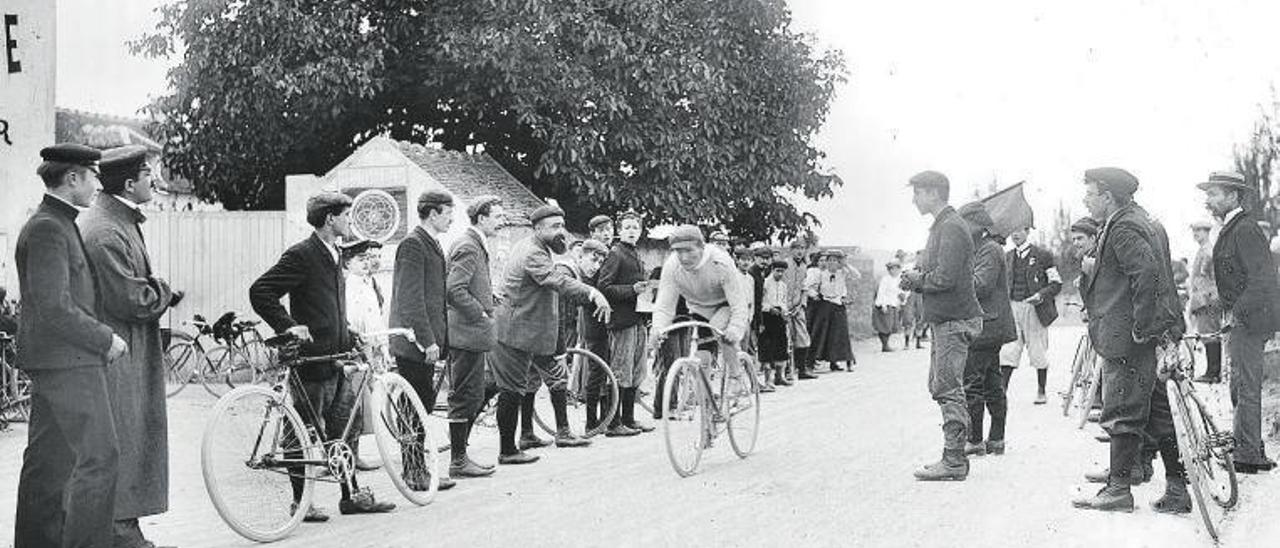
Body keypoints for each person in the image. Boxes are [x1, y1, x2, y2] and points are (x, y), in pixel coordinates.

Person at [250, 191, 397, 520]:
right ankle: (300, 503)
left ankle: (350, 495)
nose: (349, 221)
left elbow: (328, 306)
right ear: (330, 219)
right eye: (345, 215)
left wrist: (349, 333)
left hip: (338, 357)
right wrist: (289, 326)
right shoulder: (302, 254)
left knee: (346, 428)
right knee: (301, 432)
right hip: (312, 361)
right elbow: (261, 291)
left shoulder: (334, 253)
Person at [14, 144, 129, 548]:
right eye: (93, 175)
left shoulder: (55, 222)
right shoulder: (49, 227)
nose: (99, 183)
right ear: (73, 177)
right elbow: (54, 307)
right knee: (100, 458)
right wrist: (105, 338)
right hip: (70, 364)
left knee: (49, 464)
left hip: (56, 362)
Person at [78, 145, 184, 548]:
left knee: (130, 438)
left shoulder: (113, 220)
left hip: (126, 351)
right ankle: (119, 531)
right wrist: (163, 289)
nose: (154, 181)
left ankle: (122, 528)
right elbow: (131, 299)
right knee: (126, 438)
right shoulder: (107, 229)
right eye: (148, 174)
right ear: (128, 182)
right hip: (120, 355)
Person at [1073, 167, 1188, 513]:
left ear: (1108, 196)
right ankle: (1177, 488)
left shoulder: (1122, 226)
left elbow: (1146, 275)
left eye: (1090, 194)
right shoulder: (1142, 220)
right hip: (1146, 332)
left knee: (1121, 409)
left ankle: (1119, 489)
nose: (1086, 200)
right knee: (1156, 411)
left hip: (1129, 336)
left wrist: (1142, 327)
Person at [491, 204, 611, 464]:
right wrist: (592, 293)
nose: (561, 232)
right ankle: (507, 450)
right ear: (537, 228)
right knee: (510, 389)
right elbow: (555, 280)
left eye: (562, 226)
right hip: (516, 332)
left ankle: (533, 435)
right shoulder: (533, 252)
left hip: (529, 332)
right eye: (554, 227)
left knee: (533, 383)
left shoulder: (535, 247)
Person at [899, 170, 983, 481]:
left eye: (918, 192)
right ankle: (955, 454)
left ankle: (954, 460)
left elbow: (945, 278)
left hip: (953, 319)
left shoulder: (950, 227)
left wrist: (917, 280)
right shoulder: (945, 226)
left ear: (933, 193)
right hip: (947, 319)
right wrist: (920, 275)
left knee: (948, 387)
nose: (914, 199)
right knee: (941, 386)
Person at [1198, 171, 1280, 474]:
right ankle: (1249, 445)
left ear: (1233, 196)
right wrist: (1218, 304)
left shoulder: (1244, 229)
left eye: (1214, 194)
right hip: (1244, 319)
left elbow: (1262, 280)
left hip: (1250, 321)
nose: (1208, 200)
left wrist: (1235, 312)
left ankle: (1248, 454)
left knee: (1245, 387)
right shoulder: (1232, 227)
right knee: (1239, 386)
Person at [384, 190, 459, 490]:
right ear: (433, 213)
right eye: (448, 211)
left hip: (424, 341)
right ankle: (414, 472)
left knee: (421, 405)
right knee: (414, 407)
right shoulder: (413, 244)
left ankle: (419, 468)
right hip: (413, 343)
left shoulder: (431, 243)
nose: (452, 217)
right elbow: (410, 299)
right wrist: (428, 340)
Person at [649, 226, 751, 414]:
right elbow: (665, 304)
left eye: (689, 250)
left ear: (702, 247)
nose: (684, 257)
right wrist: (658, 329)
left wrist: (735, 329)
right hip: (697, 308)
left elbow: (738, 303)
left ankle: (738, 379)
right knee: (701, 357)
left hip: (725, 304)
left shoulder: (720, 261)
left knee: (719, 330)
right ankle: (707, 405)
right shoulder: (672, 265)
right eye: (679, 251)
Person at [443, 195, 503, 479]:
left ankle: (460, 456)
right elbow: (455, 289)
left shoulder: (474, 243)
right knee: (465, 395)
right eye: (497, 216)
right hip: (465, 333)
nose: (501, 221)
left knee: (474, 392)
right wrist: (480, 312)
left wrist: (489, 296)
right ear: (482, 218)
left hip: (472, 333)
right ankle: (457, 461)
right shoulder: (468, 245)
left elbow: (469, 284)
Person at [958, 202, 1016, 458]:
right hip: (988, 324)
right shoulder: (980, 249)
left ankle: (975, 440)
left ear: (977, 225)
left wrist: (953, 277)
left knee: (973, 384)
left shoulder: (989, 249)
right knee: (992, 383)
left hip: (986, 326)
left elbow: (980, 285)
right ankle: (996, 440)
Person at [597, 212, 656, 436]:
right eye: (627, 227)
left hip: (638, 318)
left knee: (637, 370)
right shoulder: (616, 254)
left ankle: (629, 418)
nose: (632, 231)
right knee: (621, 370)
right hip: (622, 321)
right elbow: (604, 286)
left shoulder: (634, 254)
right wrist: (632, 290)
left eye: (635, 227)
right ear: (619, 231)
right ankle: (613, 423)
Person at [1000, 226, 1063, 405]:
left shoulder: (1043, 255)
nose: (1015, 234)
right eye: (1012, 231)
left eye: (1019, 230)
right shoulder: (1008, 257)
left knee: (1037, 350)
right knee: (1008, 349)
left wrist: (1041, 295)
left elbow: (1056, 283)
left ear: (1027, 231)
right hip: (1013, 307)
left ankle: (1041, 390)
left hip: (1035, 308)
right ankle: (1002, 391)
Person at [553, 239, 611, 430]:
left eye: (600, 263)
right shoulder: (565, 271)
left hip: (549, 331)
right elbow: (558, 314)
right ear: (579, 255)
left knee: (535, 383)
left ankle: (531, 433)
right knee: (554, 379)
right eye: (593, 260)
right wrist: (560, 351)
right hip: (539, 330)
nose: (596, 266)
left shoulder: (579, 276)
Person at [1186, 219, 1223, 384]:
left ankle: (1213, 372)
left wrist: (1204, 300)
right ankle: (1212, 370)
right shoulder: (1203, 251)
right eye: (1194, 231)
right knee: (1207, 334)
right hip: (1203, 299)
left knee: (1210, 335)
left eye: (1199, 231)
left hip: (1208, 299)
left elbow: (1211, 279)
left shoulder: (1208, 252)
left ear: (1207, 232)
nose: (1196, 235)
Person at [806, 249, 855, 372]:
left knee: (840, 334)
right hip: (825, 305)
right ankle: (811, 362)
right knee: (820, 334)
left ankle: (837, 361)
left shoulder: (842, 272)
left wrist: (845, 264)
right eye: (830, 260)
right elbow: (808, 287)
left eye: (835, 260)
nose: (832, 263)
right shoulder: (820, 274)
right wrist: (814, 295)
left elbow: (856, 275)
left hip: (838, 306)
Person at [757, 260, 791, 392]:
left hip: (779, 317)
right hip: (767, 317)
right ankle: (768, 380)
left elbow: (783, 301)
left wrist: (785, 313)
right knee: (767, 347)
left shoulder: (783, 285)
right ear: (772, 270)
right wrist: (769, 308)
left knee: (781, 345)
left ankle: (779, 376)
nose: (780, 273)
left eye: (782, 271)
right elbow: (760, 301)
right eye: (777, 270)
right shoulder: (765, 283)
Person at [781, 239, 811, 383]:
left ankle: (802, 369)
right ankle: (787, 371)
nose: (800, 251)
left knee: (802, 337)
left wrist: (801, 305)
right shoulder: (785, 264)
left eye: (803, 248)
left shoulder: (805, 267)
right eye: (797, 248)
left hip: (798, 307)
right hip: (784, 307)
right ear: (791, 249)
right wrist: (783, 306)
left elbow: (805, 288)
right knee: (786, 339)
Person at [873, 261, 905, 352]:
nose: (894, 271)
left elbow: (899, 292)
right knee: (884, 325)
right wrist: (882, 305)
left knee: (891, 325)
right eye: (891, 269)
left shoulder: (898, 280)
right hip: (885, 304)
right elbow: (881, 292)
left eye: (896, 269)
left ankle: (886, 344)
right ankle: (885, 345)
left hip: (893, 304)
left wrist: (901, 300)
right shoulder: (885, 279)